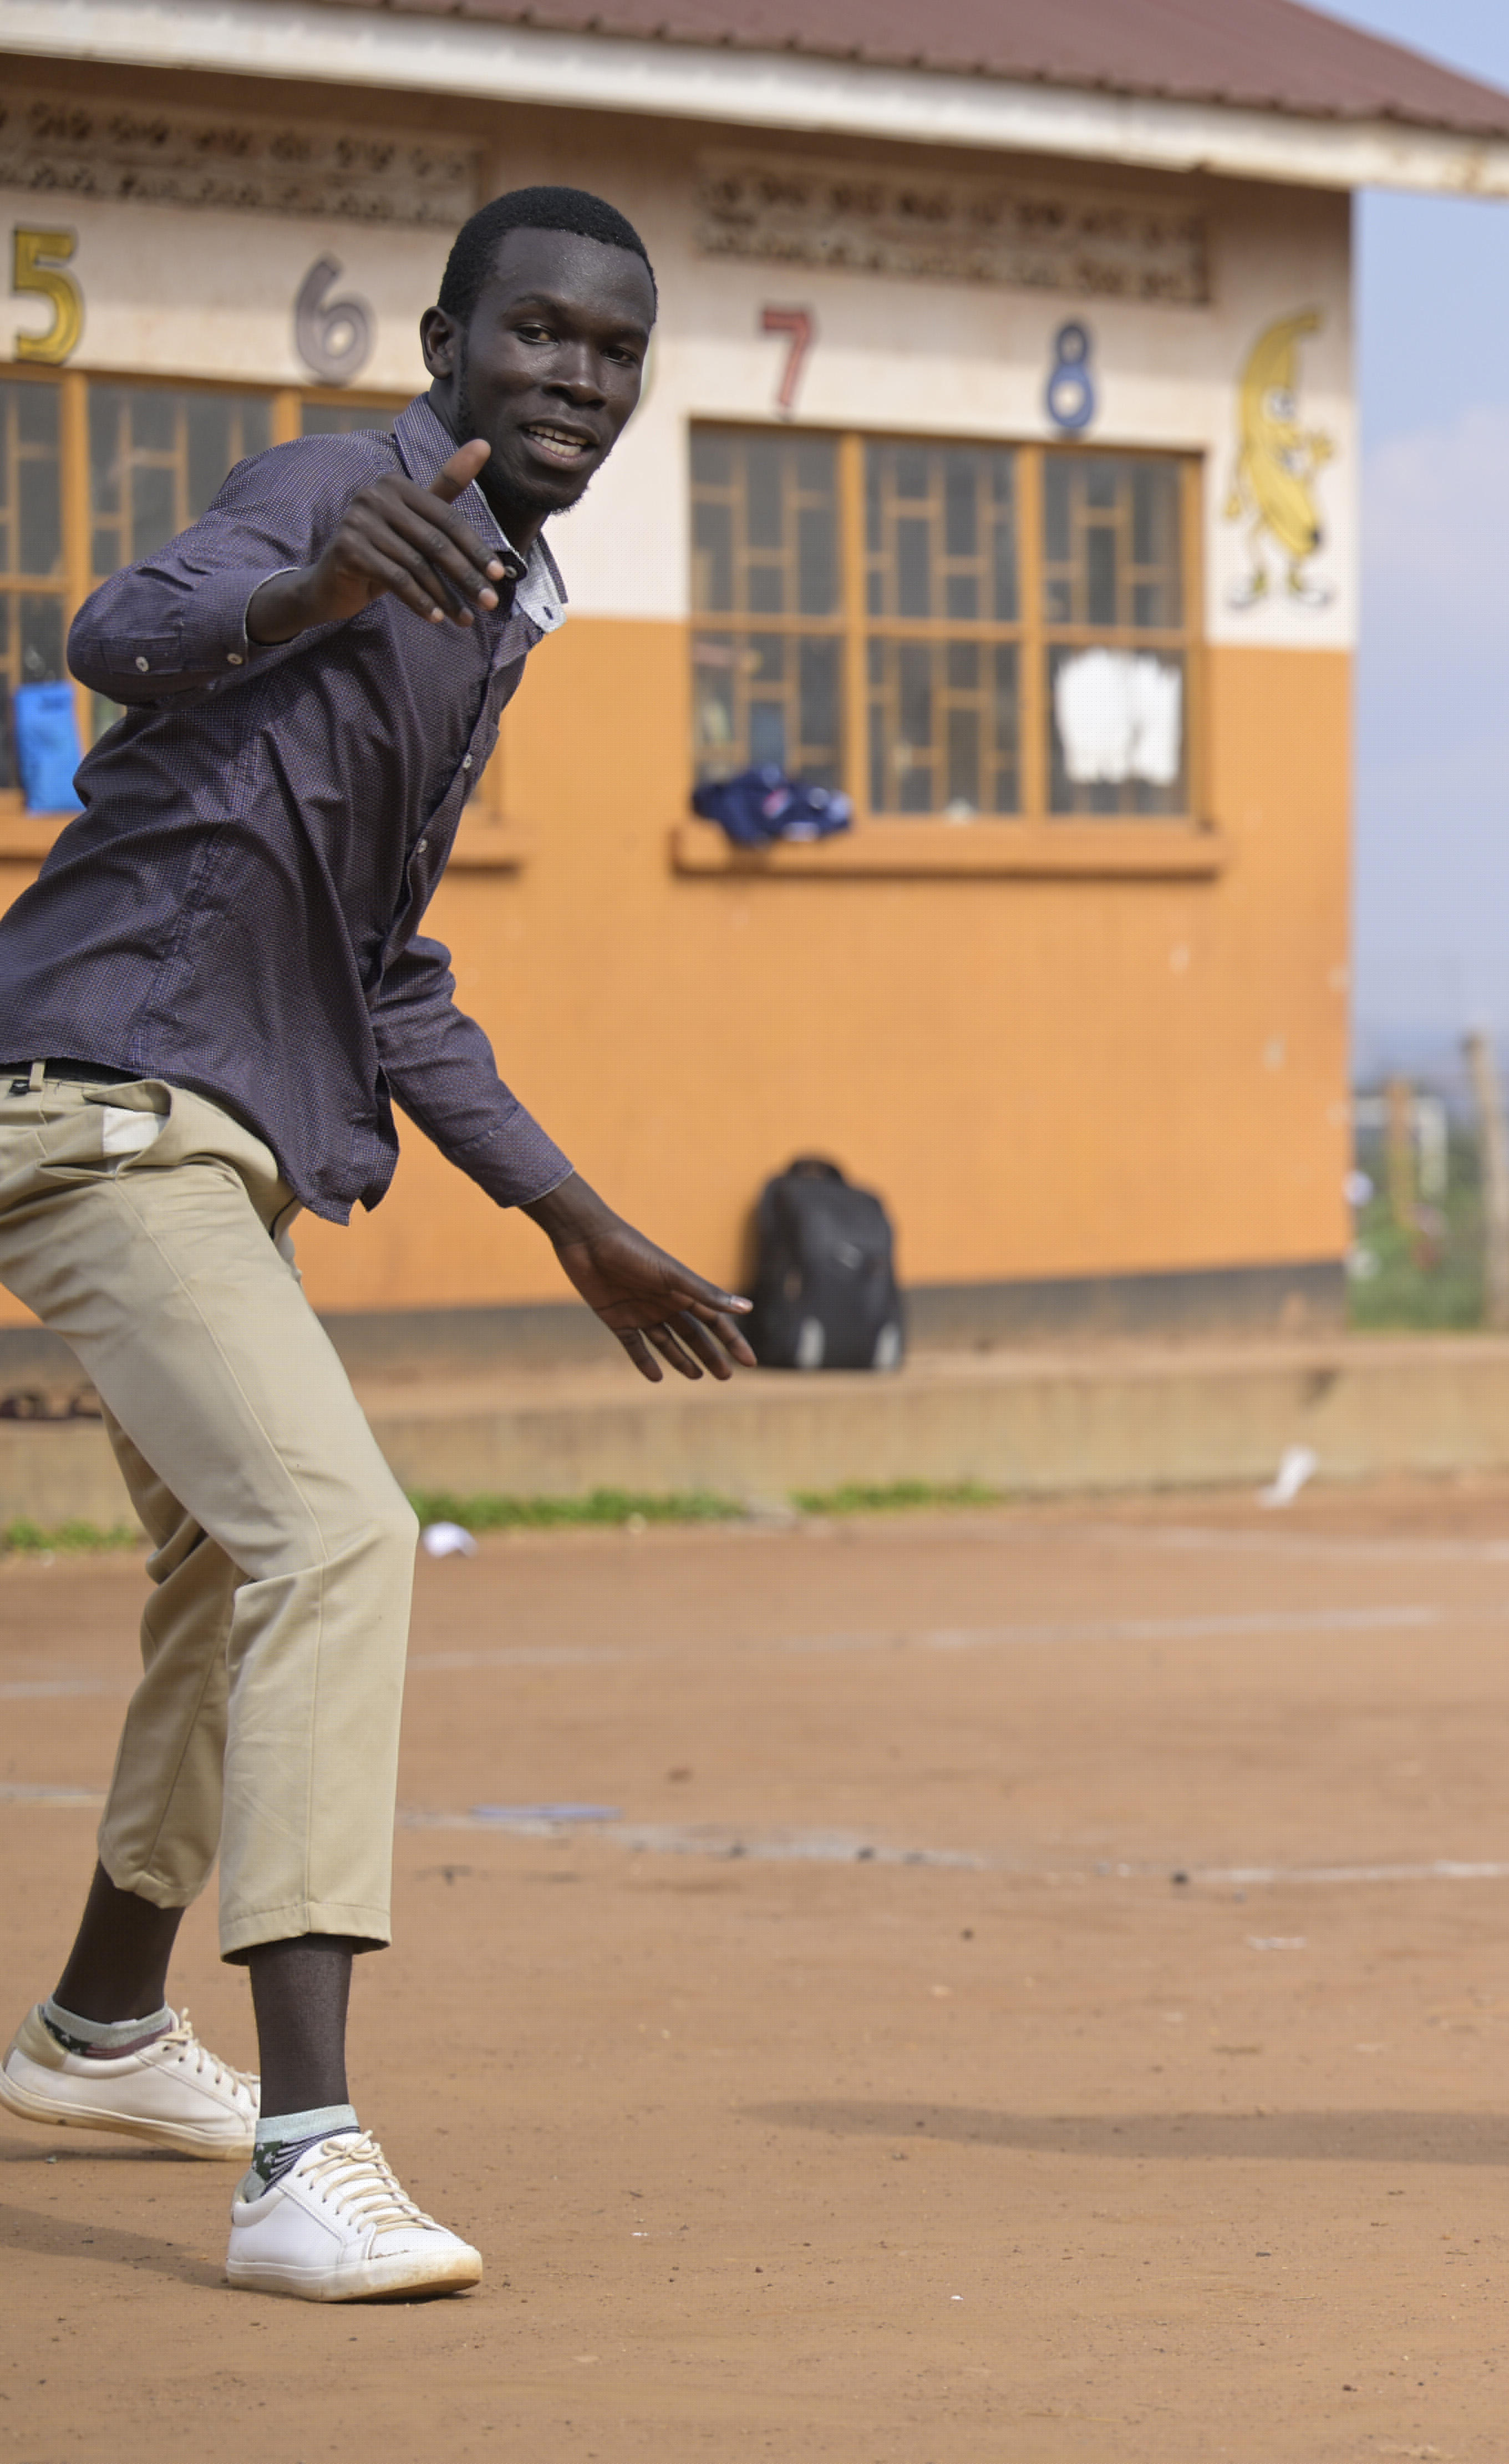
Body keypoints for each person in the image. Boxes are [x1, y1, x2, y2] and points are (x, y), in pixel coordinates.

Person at [0, 189, 754, 2302]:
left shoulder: (497, 604)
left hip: (216, 1132)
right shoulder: (338, 492)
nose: (579, 382)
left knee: (222, 1563)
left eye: (616, 352)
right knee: (336, 1535)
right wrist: (320, 573)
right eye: (538, 337)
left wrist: (573, 1212)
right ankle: (305, 2150)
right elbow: (114, 636)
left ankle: (103, 2023)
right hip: (104, 1103)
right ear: (446, 339)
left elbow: (384, 965)